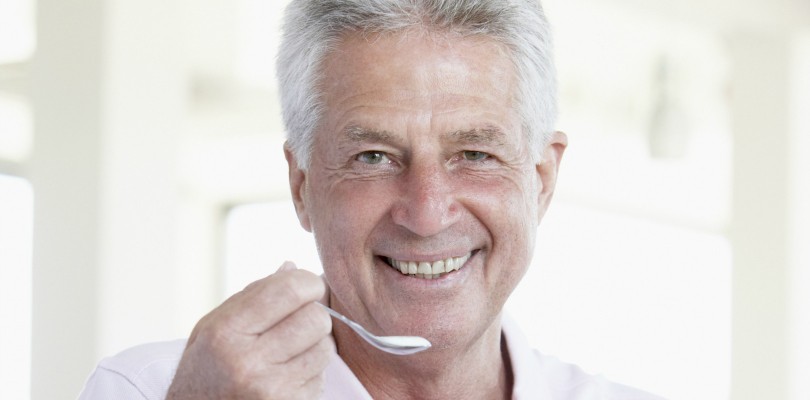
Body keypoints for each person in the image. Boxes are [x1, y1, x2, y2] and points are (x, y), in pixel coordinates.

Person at [79, 0, 664, 398]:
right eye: (373, 157)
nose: (427, 213)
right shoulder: (153, 390)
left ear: (541, 179)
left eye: (475, 155)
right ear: (302, 185)